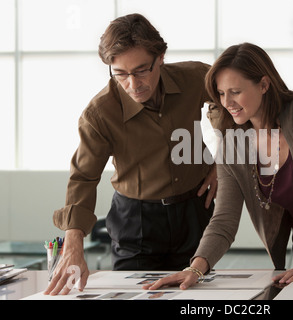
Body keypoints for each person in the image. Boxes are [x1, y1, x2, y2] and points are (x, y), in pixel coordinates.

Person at [146, 42, 293, 291]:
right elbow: (224, 219)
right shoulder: (232, 144)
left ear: (263, 84)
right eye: (220, 93)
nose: (227, 102)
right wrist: (195, 268)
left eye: (235, 91)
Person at [44, 13, 217, 295]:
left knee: (196, 296)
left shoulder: (195, 77)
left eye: (141, 71)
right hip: (137, 222)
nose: (133, 85)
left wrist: (224, 162)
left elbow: (233, 101)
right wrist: (73, 242)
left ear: (160, 56)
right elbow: (84, 177)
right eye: (120, 74)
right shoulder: (99, 113)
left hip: (194, 210)